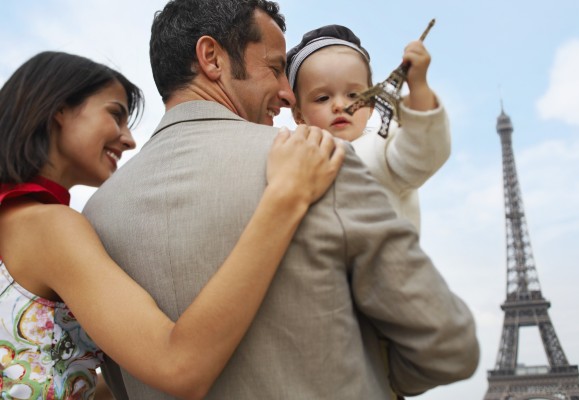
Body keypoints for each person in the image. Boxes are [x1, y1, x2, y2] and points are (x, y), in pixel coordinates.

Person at [83, 0, 480, 399]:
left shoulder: (96, 216)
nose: (289, 94)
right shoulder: (316, 158)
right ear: (211, 58)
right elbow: (448, 348)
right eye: (274, 68)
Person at [0, 51, 344, 400]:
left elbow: (49, 374)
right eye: (116, 115)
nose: (128, 139)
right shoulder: (48, 227)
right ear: (58, 110)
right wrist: (286, 197)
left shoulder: (14, 221)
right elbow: (179, 367)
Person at [287, 24, 451, 233]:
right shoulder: (293, 161)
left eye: (353, 95)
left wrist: (418, 86)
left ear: (371, 105)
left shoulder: (384, 146)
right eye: (322, 98)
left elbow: (422, 152)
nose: (339, 105)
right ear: (298, 114)